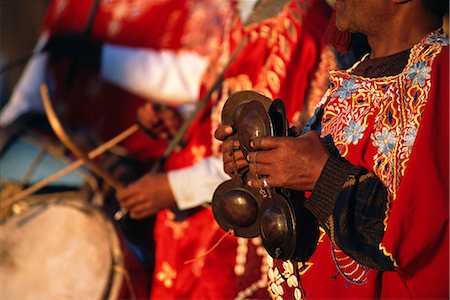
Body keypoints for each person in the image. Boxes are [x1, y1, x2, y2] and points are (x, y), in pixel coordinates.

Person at [215, 0, 449, 298]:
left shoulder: (443, 73)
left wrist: (321, 176)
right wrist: (269, 162)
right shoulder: (352, 75)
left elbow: (429, 233)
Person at [0, 0, 233, 298]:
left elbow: (205, 82)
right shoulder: (71, 5)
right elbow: (33, 88)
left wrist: (103, 57)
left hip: (146, 182)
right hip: (59, 168)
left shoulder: (205, 8)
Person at [116, 0, 337, 298]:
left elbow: (270, 149)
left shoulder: (300, 23)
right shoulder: (245, 13)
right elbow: (223, 104)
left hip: (242, 239)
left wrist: (175, 187)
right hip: (199, 230)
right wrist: (182, 120)